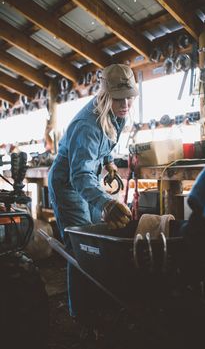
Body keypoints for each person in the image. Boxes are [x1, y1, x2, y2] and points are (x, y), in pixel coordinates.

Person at [48, 64, 139, 319]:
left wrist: (108, 162)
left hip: (87, 178)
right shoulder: (86, 126)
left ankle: (96, 300)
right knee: (81, 246)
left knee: (94, 241)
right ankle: (82, 313)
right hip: (68, 184)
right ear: (106, 95)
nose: (126, 104)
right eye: (120, 99)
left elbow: (106, 141)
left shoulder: (115, 113)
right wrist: (106, 203)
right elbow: (80, 176)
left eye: (129, 97)